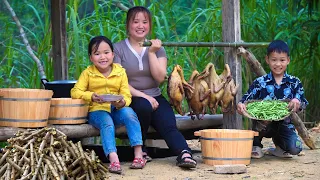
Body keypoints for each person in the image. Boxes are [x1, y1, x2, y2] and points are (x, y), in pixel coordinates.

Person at [113, 6, 197, 169]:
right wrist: (145, 97)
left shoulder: (158, 48)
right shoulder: (118, 49)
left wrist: (151, 52)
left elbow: (159, 78)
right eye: (135, 21)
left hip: (155, 96)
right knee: (143, 106)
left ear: (150, 25)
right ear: (127, 25)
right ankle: (140, 149)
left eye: (144, 22)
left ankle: (184, 153)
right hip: (131, 97)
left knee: (167, 122)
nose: (140, 25)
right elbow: (119, 82)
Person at [71, 36, 146, 174]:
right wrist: (91, 96)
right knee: (107, 122)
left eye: (106, 52)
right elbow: (75, 91)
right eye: (97, 53)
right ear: (91, 57)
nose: (102, 57)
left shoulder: (120, 71)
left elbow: (126, 94)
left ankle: (139, 155)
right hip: (97, 111)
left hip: (116, 108)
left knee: (130, 113)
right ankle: (114, 159)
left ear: (113, 54)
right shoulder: (88, 73)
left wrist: (122, 102)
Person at [237, 40, 308, 159]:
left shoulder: (294, 82)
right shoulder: (260, 82)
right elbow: (245, 99)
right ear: (267, 60)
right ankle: (256, 145)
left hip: (284, 124)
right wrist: (241, 105)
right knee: (262, 122)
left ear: (288, 61)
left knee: (296, 148)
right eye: (274, 60)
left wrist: (297, 101)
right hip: (263, 125)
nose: (278, 64)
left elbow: (303, 103)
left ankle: (279, 147)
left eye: (282, 60)